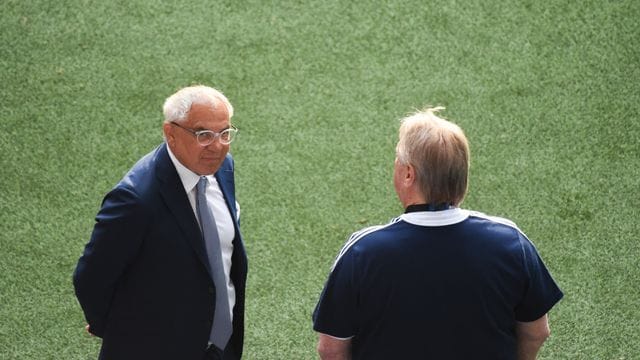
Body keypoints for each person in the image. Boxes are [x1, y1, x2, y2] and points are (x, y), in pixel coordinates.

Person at [312, 107, 563, 360]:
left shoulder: (362, 251)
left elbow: (331, 347)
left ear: (409, 174)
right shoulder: (511, 242)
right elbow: (536, 332)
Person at [73, 85, 248, 360]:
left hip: (219, 348)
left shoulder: (222, 168)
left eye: (225, 133)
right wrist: (120, 331)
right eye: (203, 135)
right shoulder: (135, 200)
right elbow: (91, 278)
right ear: (171, 133)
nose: (217, 146)